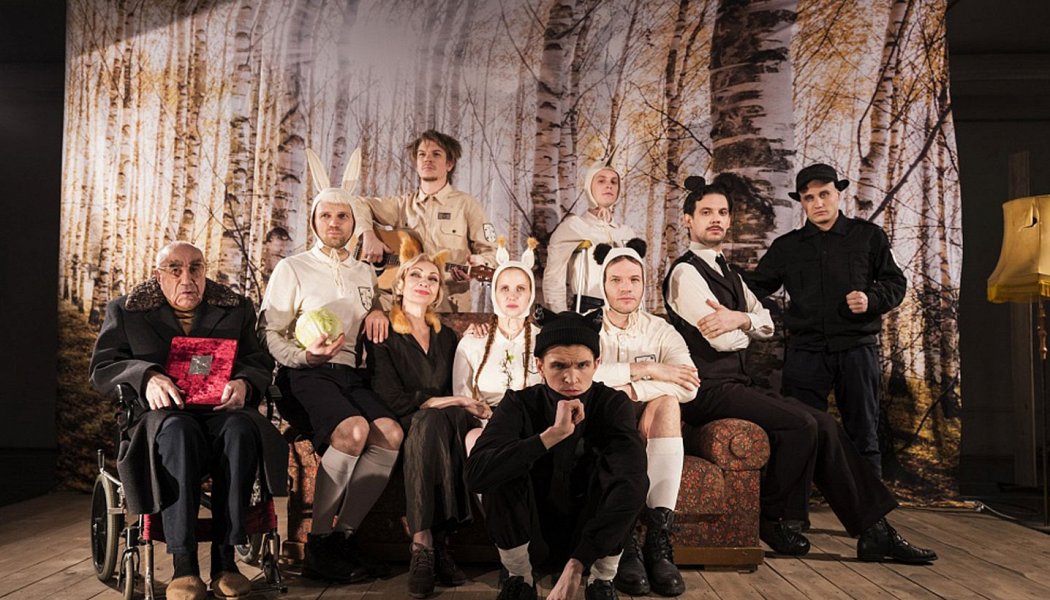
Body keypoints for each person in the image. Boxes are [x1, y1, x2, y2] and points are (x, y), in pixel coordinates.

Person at [662, 175, 936, 564]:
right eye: (706, 212)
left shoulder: (730, 272)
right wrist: (748, 325)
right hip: (705, 389)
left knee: (825, 424)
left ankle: (875, 531)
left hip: (739, 383)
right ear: (689, 220)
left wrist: (741, 319)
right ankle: (771, 517)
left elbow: (766, 323)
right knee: (802, 424)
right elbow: (722, 342)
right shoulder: (685, 273)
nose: (716, 219)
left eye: (722, 212)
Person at [89, 242, 288, 600]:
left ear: (204, 271)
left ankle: (226, 562)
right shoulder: (127, 310)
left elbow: (259, 362)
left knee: (241, 430)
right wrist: (146, 377)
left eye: (195, 268)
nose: (187, 278)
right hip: (162, 418)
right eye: (175, 269)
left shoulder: (236, 309)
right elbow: (103, 368)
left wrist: (244, 383)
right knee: (177, 432)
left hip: (221, 412)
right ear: (158, 276)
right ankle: (184, 566)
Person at [258, 150, 402, 582]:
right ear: (314, 221)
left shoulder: (364, 273)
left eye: (343, 216)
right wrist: (305, 357)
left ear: (354, 222)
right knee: (354, 430)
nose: (334, 223)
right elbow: (269, 333)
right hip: (303, 374)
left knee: (390, 433)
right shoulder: (293, 268)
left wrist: (379, 309)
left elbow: (372, 307)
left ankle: (344, 538)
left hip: (348, 376)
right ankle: (318, 544)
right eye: (326, 216)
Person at [466, 310, 649, 600]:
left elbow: (632, 482)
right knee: (501, 467)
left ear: (597, 364)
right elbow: (476, 475)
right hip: (531, 534)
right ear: (540, 365)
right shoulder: (518, 403)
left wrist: (578, 564)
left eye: (582, 365)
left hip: (591, 536)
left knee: (629, 476)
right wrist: (550, 436)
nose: (571, 377)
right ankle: (519, 578)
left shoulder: (612, 404)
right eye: (559, 365)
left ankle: (602, 580)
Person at [744, 163, 907, 478]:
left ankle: (868, 506)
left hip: (857, 349)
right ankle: (796, 506)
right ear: (801, 203)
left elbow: (895, 283)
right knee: (800, 432)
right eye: (809, 198)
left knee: (864, 434)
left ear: (838, 194)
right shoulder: (787, 247)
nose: (818, 203)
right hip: (806, 353)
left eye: (824, 194)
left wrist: (871, 299)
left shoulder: (868, 236)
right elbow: (755, 288)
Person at [366, 234, 490, 598]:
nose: (424, 282)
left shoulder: (447, 336)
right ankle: (430, 544)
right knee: (428, 421)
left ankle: (427, 547)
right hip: (409, 418)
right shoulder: (384, 329)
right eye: (416, 275)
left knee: (441, 422)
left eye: (432, 278)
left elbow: (467, 374)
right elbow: (390, 397)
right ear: (401, 283)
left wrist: (477, 337)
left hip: (448, 421)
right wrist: (452, 401)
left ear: (438, 291)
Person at [590, 240, 695, 597]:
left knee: (669, 403)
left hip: (648, 419)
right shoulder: (587, 326)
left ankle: (657, 540)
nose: (626, 288)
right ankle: (626, 542)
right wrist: (648, 369)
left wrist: (636, 391)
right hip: (601, 423)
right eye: (616, 280)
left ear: (643, 284)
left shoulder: (660, 329)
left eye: (634, 280)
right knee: (621, 405)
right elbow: (582, 376)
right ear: (603, 284)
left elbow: (689, 383)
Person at [355, 129, 497, 312]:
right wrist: (368, 236)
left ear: (450, 164)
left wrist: (479, 263)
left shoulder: (468, 205)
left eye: (436, 154)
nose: (427, 159)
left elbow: (492, 253)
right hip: (403, 306)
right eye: (422, 154)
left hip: (449, 304)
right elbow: (357, 204)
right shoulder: (402, 205)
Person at [453, 236, 543, 454]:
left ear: (531, 294)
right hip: (486, 428)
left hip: (532, 427)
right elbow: (462, 398)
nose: (512, 295)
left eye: (520, 288)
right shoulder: (472, 342)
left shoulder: (544, 342)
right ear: (494, 293)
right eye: (504, 288)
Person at [542, 164, 638, 313]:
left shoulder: (626, 233)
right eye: (601, 181)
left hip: (623, 310)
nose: (609, 186)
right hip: (588, 310)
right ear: (589, 187)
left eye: (614, 182)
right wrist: (560, 318)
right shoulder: (573, 226)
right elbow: (554, 278)